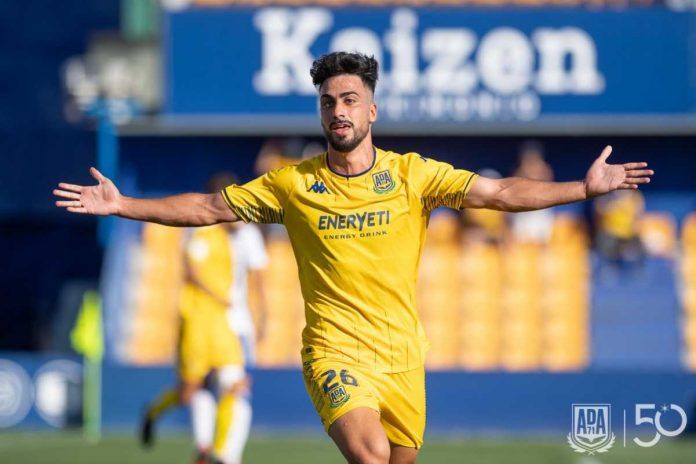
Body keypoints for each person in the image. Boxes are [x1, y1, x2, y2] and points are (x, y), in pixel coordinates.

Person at [54, 52, 653, 464]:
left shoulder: (414, 176)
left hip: (403, 357)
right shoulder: (292, 185)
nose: (338, 110)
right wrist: (124, 204)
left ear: (371, 111)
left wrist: (583, 189)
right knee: (367, 455)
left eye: (349, 99)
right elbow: (210, 208)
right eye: (328, 101)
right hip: (335, 353)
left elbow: (498, 194)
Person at [140, 175, 258, 464]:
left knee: (237, 385)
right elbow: (191, 271)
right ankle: (153, 413)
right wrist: (219, 295)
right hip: (198, 320)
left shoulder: (232, 236)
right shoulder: (201, 233)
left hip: (222, 323)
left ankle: (214, 454)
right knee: (188, 393)